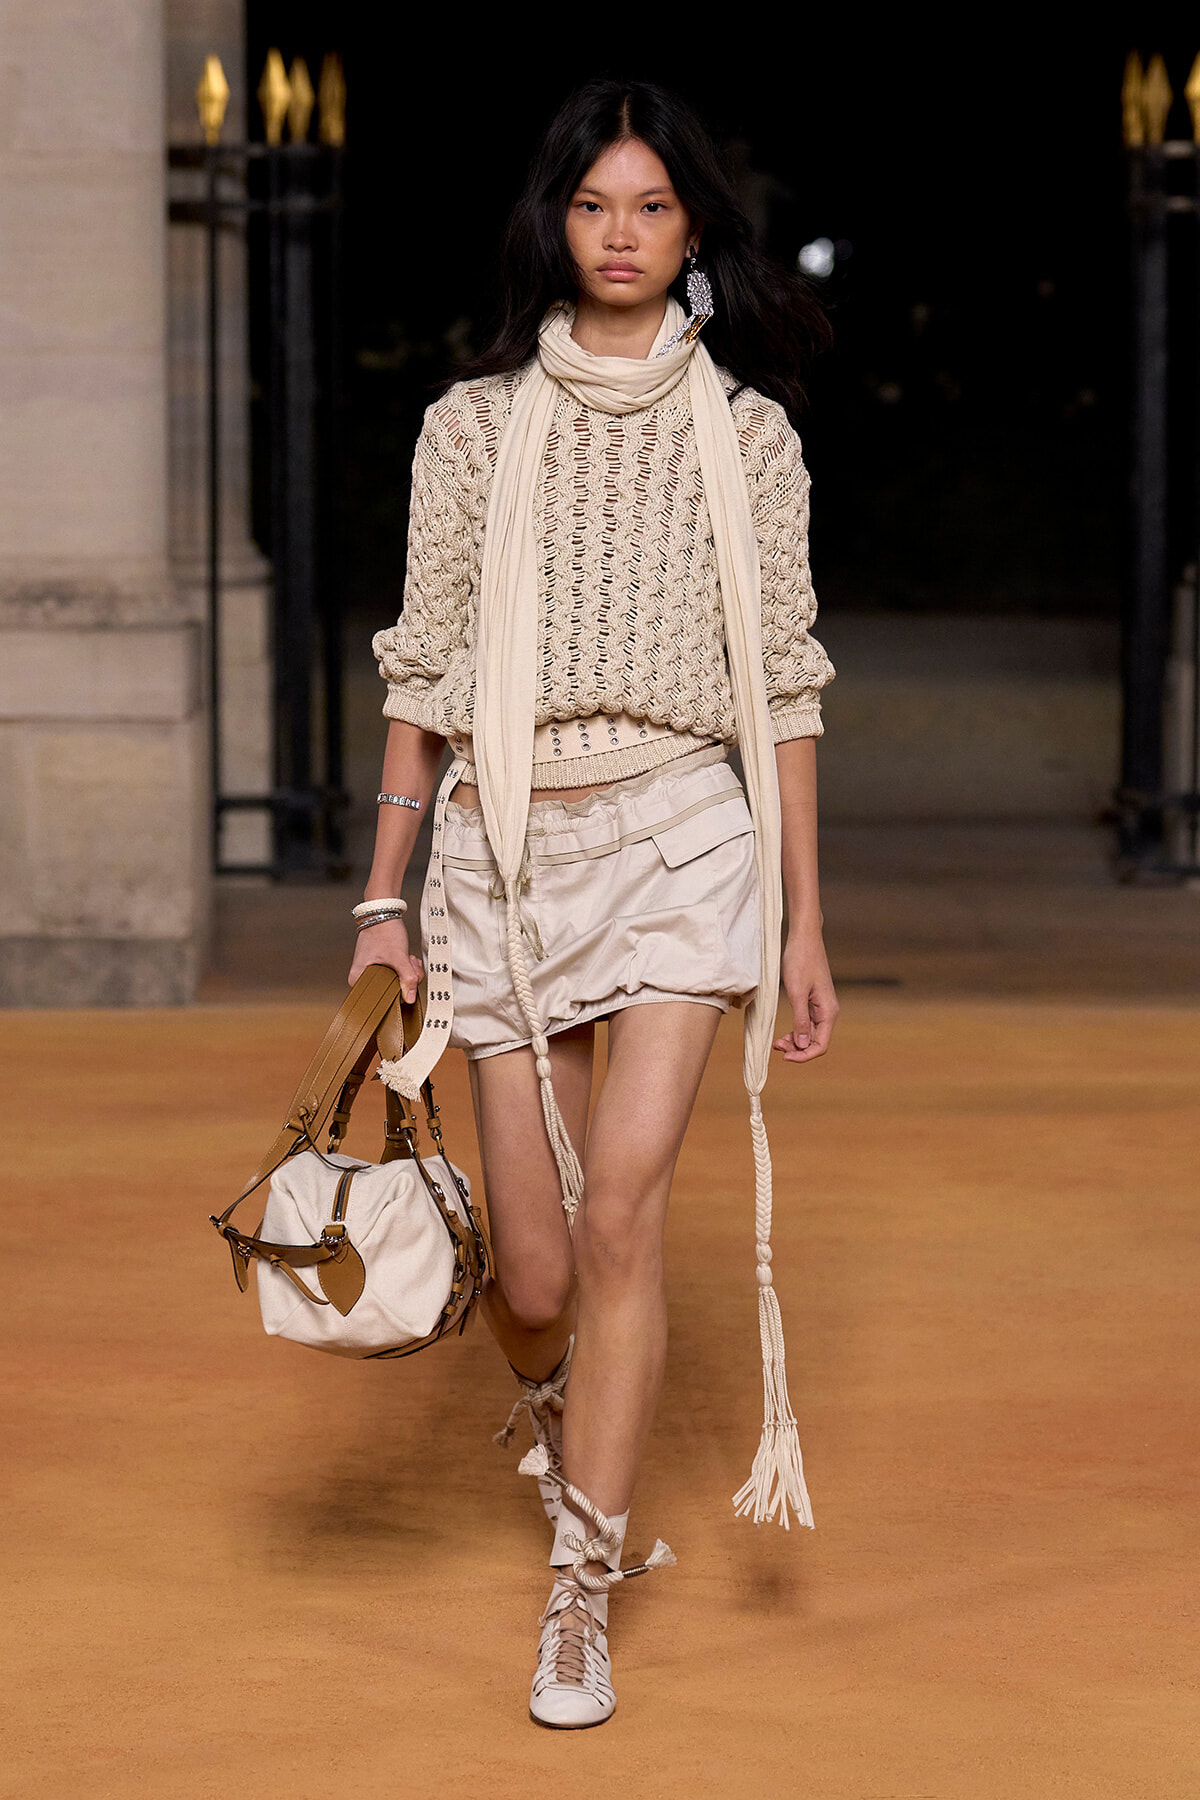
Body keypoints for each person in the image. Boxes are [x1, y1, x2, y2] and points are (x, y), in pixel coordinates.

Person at [349, 78, 837, 1730]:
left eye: (651, 209)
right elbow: (422, 664)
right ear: (553, 223)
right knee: (538, 1277)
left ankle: (582, 1579)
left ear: (695, 227)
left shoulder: (750, 437)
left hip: (688, 840)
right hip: (502, 855)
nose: (621, 236)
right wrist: (381, 891)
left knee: (627, 1209)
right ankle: (568, 1420)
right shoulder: (472, 429)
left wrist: (803, 923)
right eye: (592, 207)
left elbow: (784, 686)